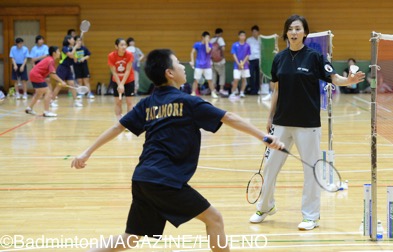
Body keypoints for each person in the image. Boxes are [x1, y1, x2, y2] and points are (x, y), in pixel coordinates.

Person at [71, 48, 284, 252]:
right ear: (170, 73)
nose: (183, 66)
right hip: (164, 180)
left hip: (143, 178)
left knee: (131, 237)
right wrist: (264, 137)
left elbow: (118, 126)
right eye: (178, 63)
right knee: (214, 218)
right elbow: (228, 117)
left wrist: (86, 152)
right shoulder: (188, 102)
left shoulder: (148, 104)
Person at [249, 14, 365, 231]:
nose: (294, 32)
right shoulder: (279, 58)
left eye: (298, 29)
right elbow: (277, 89)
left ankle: (311, 216)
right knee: (270, 167)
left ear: (305, 33)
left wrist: (348, 81)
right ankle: (265, 206)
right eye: (290, 29)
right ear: (286, 33)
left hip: (308, 124)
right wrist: (269, 117)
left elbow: (334, 79)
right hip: (282, 123)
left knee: (311, 170)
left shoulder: (315, 57)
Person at [25, 46, 66, 117]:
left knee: (39, 93)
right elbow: (53, 74)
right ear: (54, 53)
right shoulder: (51, 60)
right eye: (58, 51)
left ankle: (29, 108)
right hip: (36, 75)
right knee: (48, 92)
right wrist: (62, 81)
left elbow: (51, 73)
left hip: (33, 74)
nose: (60, 53)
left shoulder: (49, 59)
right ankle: (46, 112)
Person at [50, 35, 83, 108]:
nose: (73, 40)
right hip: (62, 68)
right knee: (59, 85)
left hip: (68, 68)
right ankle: (51, 101)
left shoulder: (73, 48)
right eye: (72, 39)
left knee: (72, 84)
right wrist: (75, 48)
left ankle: (75, 101)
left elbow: (75, 59)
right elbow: (70, 55)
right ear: (68, 40)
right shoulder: (65, 48)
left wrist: (78, 57)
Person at [108, 38, 135, 120]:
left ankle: (129, 121)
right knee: (118, 102)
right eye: (121, 45)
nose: (124, 47)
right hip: (116, 80)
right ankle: (119, 122)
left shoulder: (129, 54)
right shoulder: (111, 56)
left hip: (129, 80)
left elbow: (127, 70)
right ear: (116, 46)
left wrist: (122, 84)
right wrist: (119, 84)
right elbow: (114, 72)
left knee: (129, 102)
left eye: (125, 45)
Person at [190, 31, 218, 98]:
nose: (208, 38)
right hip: (199, 65)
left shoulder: (210, 45)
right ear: (203, 37)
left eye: (209, 37)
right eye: (207, 37)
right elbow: (192, 53)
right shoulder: (197, 44)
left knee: (210, 80)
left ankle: (213, 93)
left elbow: (207, 51)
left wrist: (206, 43)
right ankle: (193, 92)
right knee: (196, 80)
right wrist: (192, 61)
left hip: (207, 66)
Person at [229, 31, 251, 98]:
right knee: (236, 79)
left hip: (245, 65)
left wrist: (243, 63)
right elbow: (234, 54)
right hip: (236, 65)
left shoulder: (247, 45)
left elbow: (248, 55)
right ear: (239, 36)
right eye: (241, 35)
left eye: (244, 36)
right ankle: (233, 92)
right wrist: (238, 63)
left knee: (244, 79)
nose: (242, 37)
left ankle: (242, 92)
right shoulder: (235, 45)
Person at [210, 28, 228, 96]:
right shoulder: (220, 39)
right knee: (222, 75)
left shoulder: (211, 40)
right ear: (220, 33)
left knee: (213, 75)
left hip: (212, 61)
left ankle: (214, 90)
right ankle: (221, 89)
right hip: (220, 61)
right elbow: (223, 48)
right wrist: (222, 55)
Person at [246, 25, 261, 95]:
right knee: (251, 75)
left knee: (258, 75)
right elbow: (246, 50)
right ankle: (252, 89)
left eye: (256, 31)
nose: (254, 33)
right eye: (253, 32)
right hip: (251, 59)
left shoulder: (261, 39)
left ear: (258, 32)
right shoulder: (249, 40)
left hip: (259, 59)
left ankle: (257, 89)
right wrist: (247, 60)